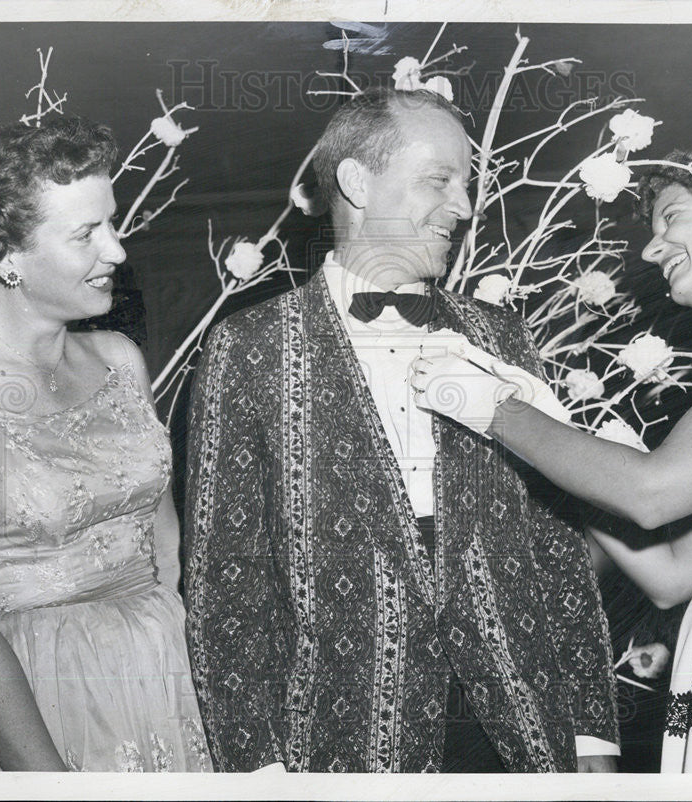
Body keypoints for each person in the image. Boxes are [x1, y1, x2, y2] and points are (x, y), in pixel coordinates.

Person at [184, 88, 619, 773]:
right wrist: (258, 769)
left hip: (517, 726)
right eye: (439, 180)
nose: (465, 206)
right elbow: (229, 578)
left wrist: (591, 732)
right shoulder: (248, 346)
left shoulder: (499, 332)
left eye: (467, 183)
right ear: (357, 182)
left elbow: (554, 542)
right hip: (344, 733)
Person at [411, 136, 692, 773]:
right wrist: (556, 435)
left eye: (672, 217)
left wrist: (495, 408)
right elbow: (673, 575)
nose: (651, 249)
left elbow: (654, 494)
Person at [0, 117, 210, 771]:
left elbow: (164, 544)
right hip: (36, 703)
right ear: (5, 256)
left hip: (161, 676)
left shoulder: (119, 358)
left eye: (112, 222)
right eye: (86, 234)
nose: (117, 251)